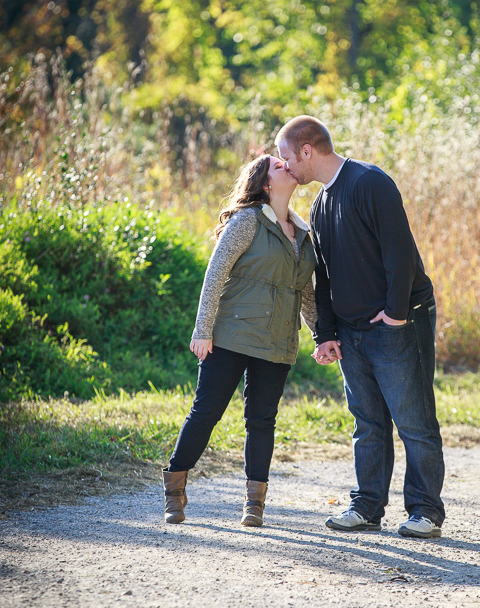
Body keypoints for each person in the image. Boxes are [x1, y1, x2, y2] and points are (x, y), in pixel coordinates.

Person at [276, 116, 445, 538]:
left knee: (414, 421)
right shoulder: (319, 204)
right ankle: (367, 507)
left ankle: (425, 511)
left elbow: (399, 253)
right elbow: (325, 277)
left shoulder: (370, 182)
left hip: (398, 324)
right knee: (367, 423)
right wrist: (327, 333)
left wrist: (395, 315)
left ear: (307, 151)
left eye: (285, 156)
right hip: (352, 333)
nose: (284, 167)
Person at [162, 154, 317, 527]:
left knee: (262, 420)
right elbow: (215, 273)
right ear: (266, 183)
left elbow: (307, 293)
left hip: (277, 341)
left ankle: (254, 505)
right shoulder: (247, 221)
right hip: (230, 336)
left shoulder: (303, 232)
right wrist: (202, 330)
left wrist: (322, 335)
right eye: (279, 166)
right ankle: (174, 489)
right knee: (206, 413)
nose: (288, 166)